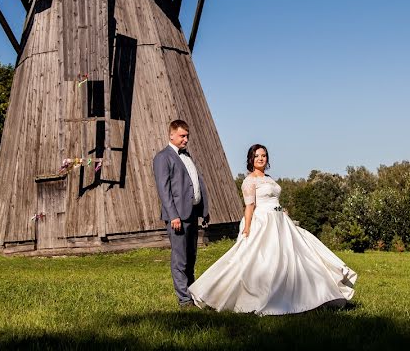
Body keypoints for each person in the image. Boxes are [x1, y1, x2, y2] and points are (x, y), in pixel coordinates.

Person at [188, 144, 357, 315]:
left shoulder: (269, 178)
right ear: (251, 159)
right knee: (265, 259)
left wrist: (282, 211)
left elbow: (274, 199)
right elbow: (249, 206)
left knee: (297, 257)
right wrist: (247, 228)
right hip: (264, 222)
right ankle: (230, 294)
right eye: (257, 156)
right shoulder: (249, 180)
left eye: (263, 155)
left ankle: (306, 295)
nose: (261, 158)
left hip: (281, 221)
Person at [153, 119, 210, 308]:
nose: (186, 139)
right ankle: (184, 299)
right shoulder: (163, 157)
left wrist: (203, 210)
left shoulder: (187, 156)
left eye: (187, 136)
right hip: (178, 216)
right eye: (182, 136)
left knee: (191, 255)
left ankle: (191, 291)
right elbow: (164, 189)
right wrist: (173, 215)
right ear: (171, 135)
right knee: (180, 258)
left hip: (192, 213)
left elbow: (195, 184)